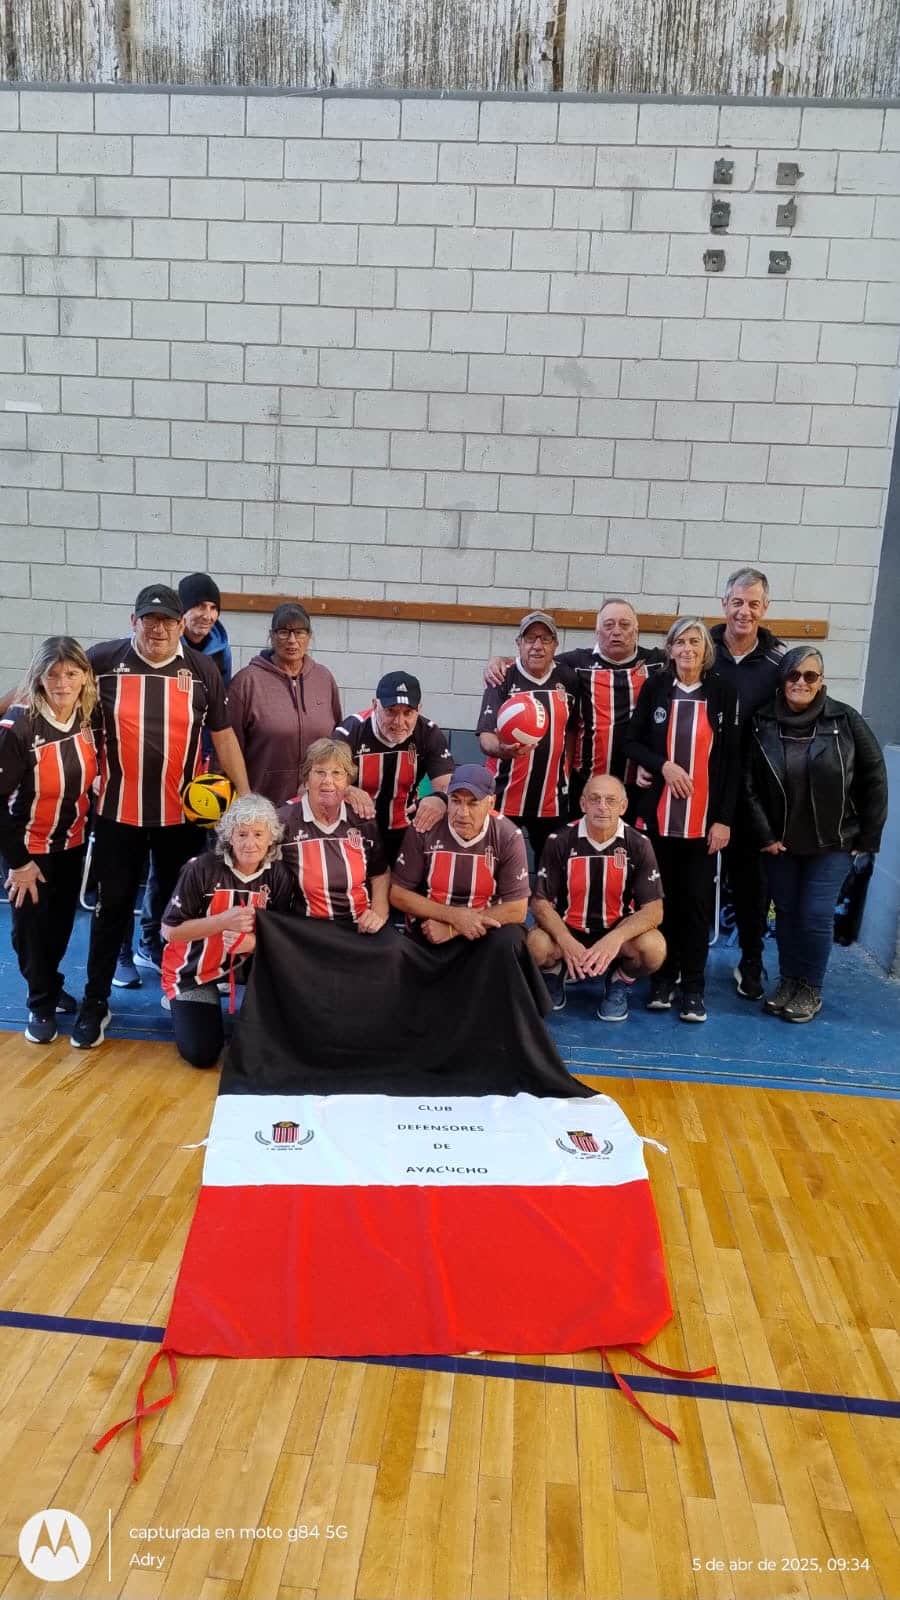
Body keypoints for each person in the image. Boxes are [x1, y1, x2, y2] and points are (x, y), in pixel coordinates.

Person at [70, 584, 250, 1049]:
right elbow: (51, 689)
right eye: (149, 620)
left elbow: (224, 736)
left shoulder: (202, 669)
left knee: (182, 906)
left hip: (181, 818)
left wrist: (247, 799)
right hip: (117, 814)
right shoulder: (102, 661)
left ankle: (180, 985)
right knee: (112, 910)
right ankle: (95, 1001)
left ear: (179, 624)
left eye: (168, 620)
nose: (158, 629)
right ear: (133, 622)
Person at [743, 647, 887, 1023]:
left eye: (810, 676)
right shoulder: (761, 721)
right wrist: (764, 834)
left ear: (821, 681)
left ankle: (810, 987)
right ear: (782, 679)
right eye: (794, 675)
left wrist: (868, 838)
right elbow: (748, 785)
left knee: (816, 915)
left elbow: (874, 777)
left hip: (833, 842)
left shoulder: (845, 719)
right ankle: (789, 981)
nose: (801, 683)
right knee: (787, 914)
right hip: (780, 843)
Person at [115, 570, 235, 991]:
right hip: (128, 790)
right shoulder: (121, 657)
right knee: (125, 881)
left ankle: (158, 947)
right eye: (198, 605)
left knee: (174, 876)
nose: (207, 614)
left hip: (190, 785)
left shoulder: (217, 655)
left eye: (213, 607)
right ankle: (124, 952)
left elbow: (221, 726)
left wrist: (227, 783)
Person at [626, 617, 740, 1024]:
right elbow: (631, 741)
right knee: (663, 903)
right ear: (670, 648)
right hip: (658, 821)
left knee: (695, 907)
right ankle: (663, 979)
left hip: (702, 824)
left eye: (696, 642)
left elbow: (733, 762)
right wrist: (663, 765)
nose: (688, 649)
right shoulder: (656, 687)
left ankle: (693, 987)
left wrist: (724, 820)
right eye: (681, 642)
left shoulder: (723, 692)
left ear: (706, 650)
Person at [0, 638, 99, 1044]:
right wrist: (19, 862)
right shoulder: (20, 727)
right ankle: (39, 1003)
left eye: (71, 673)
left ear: (85, 677)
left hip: (71, 843)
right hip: (28, 848)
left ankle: (50, 984)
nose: (62, 683)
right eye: (53, 674)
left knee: (59, 925)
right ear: (38, 677)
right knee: (30, 931)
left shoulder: (87, 718)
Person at [483, 598, 666, 812]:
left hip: (638, 781)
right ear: (597, 632)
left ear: (636, 630)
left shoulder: (657, 662)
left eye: (624, 625)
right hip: (586, 782)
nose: (616, 631)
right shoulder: (576, 663)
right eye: (608, 625)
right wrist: (499, 660)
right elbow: (537, 658)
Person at [161, 793, 295, 1068]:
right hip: (195, 971)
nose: (250, 843)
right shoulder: (200, 869)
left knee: (268, 1050)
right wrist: (223, 921)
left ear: (271, 837)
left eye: (258, 834)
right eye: (242, 834)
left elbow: (283, 933)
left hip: (249, 969)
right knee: (201, 1054)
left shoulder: (279, 875)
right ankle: (184, 1002)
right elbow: (169, 931)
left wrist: (254, 943)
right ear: (228, 837)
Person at [528, 774, 665, 1022]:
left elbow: (654, 910)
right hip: (569, 929)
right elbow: (540, 902)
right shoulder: (559, 840)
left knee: (654, 949)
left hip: (616, 932)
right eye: (595, 799)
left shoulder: (639, 844)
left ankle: (619, 979)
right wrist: (565, 940)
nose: (602, 806)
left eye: (610, 800)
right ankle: (554, 971)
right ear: (583, 804)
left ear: (623, 806)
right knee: (535, 945)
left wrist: (615, 938)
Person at [710, 567, 786, 1001]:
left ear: (765, 608)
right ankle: (677, 963)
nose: (744, 611)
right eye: (737, 602)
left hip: (754, 795)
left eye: (753, 603)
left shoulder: (778, 664)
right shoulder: (701, 652)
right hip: (702, 789)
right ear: (724, 604)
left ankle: (751, 960)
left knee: (753, 885)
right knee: (689, 880)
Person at [476, 611, 577, 863]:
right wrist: (503, 750)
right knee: (495, 865)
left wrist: (566, 768)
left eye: (545, 638)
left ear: (555, 644)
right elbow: (486, 737)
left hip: (552, 800)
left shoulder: (568, 679)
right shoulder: (502, 677)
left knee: (552, 869)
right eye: (530, 638)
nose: (537, 645)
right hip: (504, 795)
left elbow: (573, 730)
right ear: (519, 643)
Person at [390, 763, 529, 942]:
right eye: (455, 801)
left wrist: (454, 928)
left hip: (482, 928)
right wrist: (452, 916)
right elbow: (398, 894)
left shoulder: (508, 835)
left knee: (511, 939)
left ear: (491, 803)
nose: (462, 813)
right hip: (431, 925)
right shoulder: (425, 826)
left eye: (473, 803)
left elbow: (518, 909)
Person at [333, 670, 454, 866]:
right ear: (375, 705)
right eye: (391, 711)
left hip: (406, 828)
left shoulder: (428, 732)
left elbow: (447, 785)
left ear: (419, 709)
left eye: (408, 713)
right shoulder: (351, 731)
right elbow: (320, 782)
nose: (399, 722)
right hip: (354, 829)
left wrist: (440, 799)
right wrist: (347, 789)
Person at [227, 603, 342, 807]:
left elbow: (337, 742)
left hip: (316, 808)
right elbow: (227, 748)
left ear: (309, 636)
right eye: (283, 632)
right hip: (261, 808)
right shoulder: (247, 682)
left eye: (299, 632)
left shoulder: (324, 679)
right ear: (271, 636)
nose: (292, 640)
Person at [278, 737, 389, 931]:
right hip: (305, 928)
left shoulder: (363, 819)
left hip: (358, 926)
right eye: (320, 772)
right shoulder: (283, 822)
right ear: (306, 779)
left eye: (337, 773)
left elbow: (380, 873)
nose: (328, 781)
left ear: (347, 782)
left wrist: (378, 913)